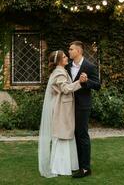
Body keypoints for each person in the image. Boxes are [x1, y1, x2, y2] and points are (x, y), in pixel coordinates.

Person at [38, 50, 87, 178]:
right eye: (64, 56)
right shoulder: (60, 72)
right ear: (59, 60)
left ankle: (66, 166)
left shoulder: (61, 71)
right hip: (62, 108)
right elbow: (65, 89)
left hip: (63, 107)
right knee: (62, 135)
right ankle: (60, 167)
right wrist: (80, 83)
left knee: (65, 134)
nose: (67, 58)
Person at [66, 41, 101, 178]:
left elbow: (97, 85)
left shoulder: (89, 66)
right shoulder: (67, 66)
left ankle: (85, 168)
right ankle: (75, 164)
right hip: (68, 105)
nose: (68, 51)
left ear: (79, 51)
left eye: (71, 49)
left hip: (82, 106)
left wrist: (86, 81)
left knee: (82, 135)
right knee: (72, 134)